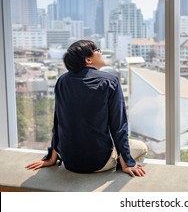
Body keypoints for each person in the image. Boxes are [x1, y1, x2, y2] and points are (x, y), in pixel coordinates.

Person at [26, 40, 147, 177]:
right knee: (142, 148)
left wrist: (52, 156)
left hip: (69, 162)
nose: (101, 52)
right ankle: (120, 172)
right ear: (88, 59)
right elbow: (118, 125)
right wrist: (128, 161)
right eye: (97, 50)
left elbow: (58, 121)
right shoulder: (110, 81)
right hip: (98, 162)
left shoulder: (62, 81)